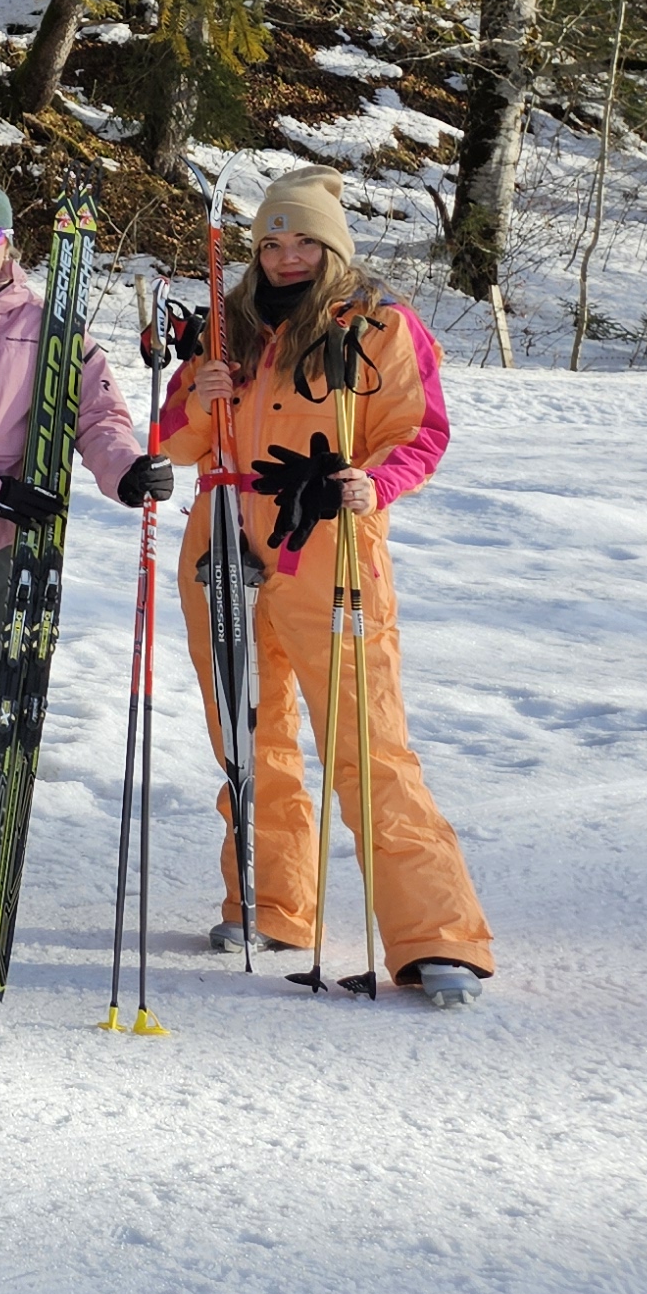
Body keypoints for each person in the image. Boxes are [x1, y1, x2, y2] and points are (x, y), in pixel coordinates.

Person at [152, 167, 494, 1002]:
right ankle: (272, 902)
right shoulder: (222, 326)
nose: (288, 255)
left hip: (328, 544)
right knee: (247, 730)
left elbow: (420, 432)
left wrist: (373, 482)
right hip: (225, 541)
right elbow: (175, 443)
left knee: (365, 743)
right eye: (273, 241)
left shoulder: (377, 325)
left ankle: (435, 935)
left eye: (305, 240)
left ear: (333, 247)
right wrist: (200, 397)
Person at [0, 179, 159, 918]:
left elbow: (98, 414)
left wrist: (126, 468)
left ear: (9, 245)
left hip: (13, 552)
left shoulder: (49, 325)